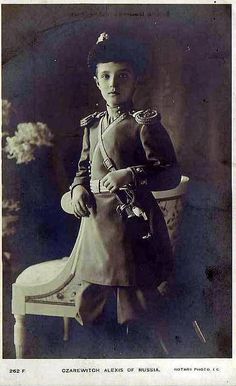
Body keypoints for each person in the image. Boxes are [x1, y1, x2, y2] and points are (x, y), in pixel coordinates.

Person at [69, 32, 181, 355]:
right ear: (96, 82)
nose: (113, 83)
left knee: (139, 307)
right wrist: (77, 188)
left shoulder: (143, 124)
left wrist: (129, 174)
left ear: (136, 81)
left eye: (123, 76)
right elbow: (82, 169)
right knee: (89, 305)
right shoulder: (92, 127)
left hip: (132, 232)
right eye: (105, 76)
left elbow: (170, 172)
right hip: (96, 231)